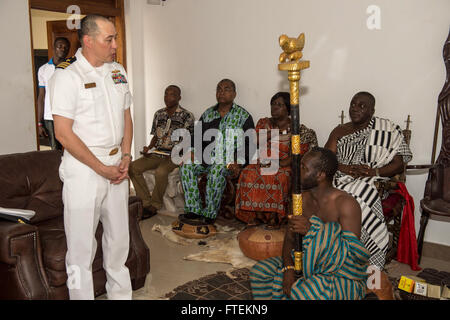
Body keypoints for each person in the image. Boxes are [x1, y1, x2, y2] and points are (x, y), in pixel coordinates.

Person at [49, 15, 133, 300]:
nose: (115, 45)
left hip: (117, 166)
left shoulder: (117, 70)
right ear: (87, 41)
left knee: (119, 243)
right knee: (81, 250)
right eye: (109, 39)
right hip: (84, 169)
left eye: (115, 38)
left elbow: (126, 115)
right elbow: (62, 133)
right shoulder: (66, 75)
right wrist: (101, 168)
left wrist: (125, 155)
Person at [250, 147, 370, 300]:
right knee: (259, 272)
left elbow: (353, 257)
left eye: (303, 167)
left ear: (320, 175)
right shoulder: (299, 200)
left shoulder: (346, 204)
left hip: (338, 272)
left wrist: (312, 231)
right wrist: (288, 269)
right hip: (303, 260)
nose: (296, 170)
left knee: (303, 292)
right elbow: (289, 240)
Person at [324, 91, 412, 271]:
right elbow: (327, 159)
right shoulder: (339, 130)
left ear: (372, 111)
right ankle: (327, 245)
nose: (355, 109)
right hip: (339, 175)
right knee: (318, 188)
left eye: (362, 106)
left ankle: (360, 250)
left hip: (372, 180)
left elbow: (399, 164)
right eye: (353, 104)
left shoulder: (386, 130)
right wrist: (345, 168)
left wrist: (373, 172)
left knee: (359, 190)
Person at [235, 92, 317, 229]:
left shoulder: (299, 129)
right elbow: (254, 140)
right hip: (262, 161)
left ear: (288, 109)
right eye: (273, 104)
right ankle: (257, 216)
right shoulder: (264, 123)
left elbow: (298, 154)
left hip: (284, 163)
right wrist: (274, 132)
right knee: (248, 173)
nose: (274, 107)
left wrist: (277, 163)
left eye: (279, 105)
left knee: (279, 177)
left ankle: (274, 217)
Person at [180, 79, 255, 224]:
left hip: (228, 160)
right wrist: (192, 151)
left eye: (226, 89)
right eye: (219, 89)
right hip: (206, 157)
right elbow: (197, 137)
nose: (221, 92)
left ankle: (210, 214)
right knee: (186, 165)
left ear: (234, 94)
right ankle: (193, 210)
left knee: (216, 170)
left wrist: (238, 163)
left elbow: (249, 144)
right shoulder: (208, 114)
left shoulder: (243, 116)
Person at [129, 85, 194, 218]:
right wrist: (148, 148)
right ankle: (145, 202)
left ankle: (155, 205)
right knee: (133, 167)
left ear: (179, 97)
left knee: (161, 171)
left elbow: (189, 141)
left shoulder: (187, 116)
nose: (168, 97)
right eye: (166, 94)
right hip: (157, 153)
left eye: (172, 94)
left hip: (175, 156)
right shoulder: (159, 114)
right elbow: (155, 136)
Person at [37, 37, 70, 150]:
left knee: (71, 148)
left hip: (68, 114)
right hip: (49, 116)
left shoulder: (72, 68)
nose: (63, 49)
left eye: (66, 47)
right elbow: (41, 97)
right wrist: (39, 123)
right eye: (60, 46)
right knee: (55, 150)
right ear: (54, 48)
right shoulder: (43, 69)